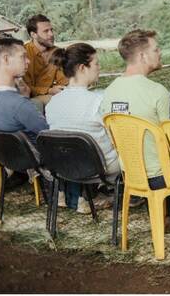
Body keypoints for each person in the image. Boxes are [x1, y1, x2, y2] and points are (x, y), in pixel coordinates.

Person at [45, 43, 118, 213]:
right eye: (96, 64)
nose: (99, 68)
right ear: (82, 68)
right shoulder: (98, 102)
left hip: (66, 168)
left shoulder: (52, 103)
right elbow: (115, 137)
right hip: (100, 168)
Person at [100, 29, 170, 189]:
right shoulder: (157, 91)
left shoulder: (109, 90)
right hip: (160, 176)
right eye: (156, 49)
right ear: (142, 56)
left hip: (129, 173)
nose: (160, 53)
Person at [0, 38, 49, 154]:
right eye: (23, 56)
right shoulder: (20, 104)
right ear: (6, 59)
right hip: (34, 162)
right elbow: (48, 135)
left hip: (3, 160)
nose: (28, 61)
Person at [23, 15, 68, 107]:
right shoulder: (23, 53)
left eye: (51, 30)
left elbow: (63, 81)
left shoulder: (57, 52)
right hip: (28, 100)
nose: (51, 34)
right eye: (46, 31)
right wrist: (48, 90)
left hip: (53, 98)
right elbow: (25, 88)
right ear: (33, 34)